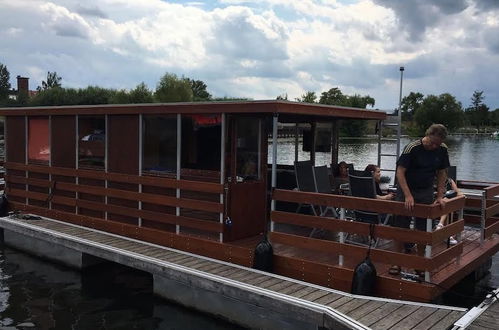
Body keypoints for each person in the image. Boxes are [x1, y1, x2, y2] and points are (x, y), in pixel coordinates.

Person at [389, 124, 450, 276]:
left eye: (437, 143)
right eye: (432, 142)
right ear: (427, 135)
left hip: (426, 191)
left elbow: (442, 173)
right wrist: (408, 195)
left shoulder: (442, 149)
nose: (434, 146)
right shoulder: (413, 148)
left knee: (423, 228)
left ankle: (420, 262)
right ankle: (396, 261)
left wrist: (440, 195)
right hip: (406, 190)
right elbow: (400, 172)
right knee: (400, 226)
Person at [434, 177, 463, 245]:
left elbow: (457, 192)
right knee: (446, 204)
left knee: (447, 203)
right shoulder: (432, 179)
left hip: (445, 203)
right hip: (434, 202)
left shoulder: (449, 181)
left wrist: (461, 195)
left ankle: (441, 227)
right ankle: (442, 228)